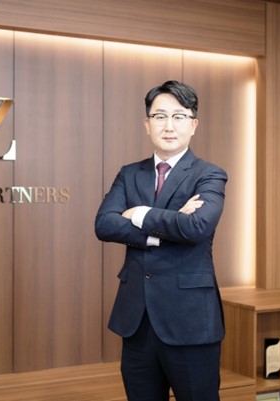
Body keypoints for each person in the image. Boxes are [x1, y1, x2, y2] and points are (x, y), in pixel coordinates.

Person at [95, 80, 227, 401]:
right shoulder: (130, 174)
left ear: (193, 124)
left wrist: (140, 213)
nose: (169, 125)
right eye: (160, 116)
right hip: (137, 321)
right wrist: (164, 230)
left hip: (190, 321)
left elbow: (196, 226)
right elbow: (105, 224)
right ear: (147, 123)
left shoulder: (209, 174)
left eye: (179, 116)